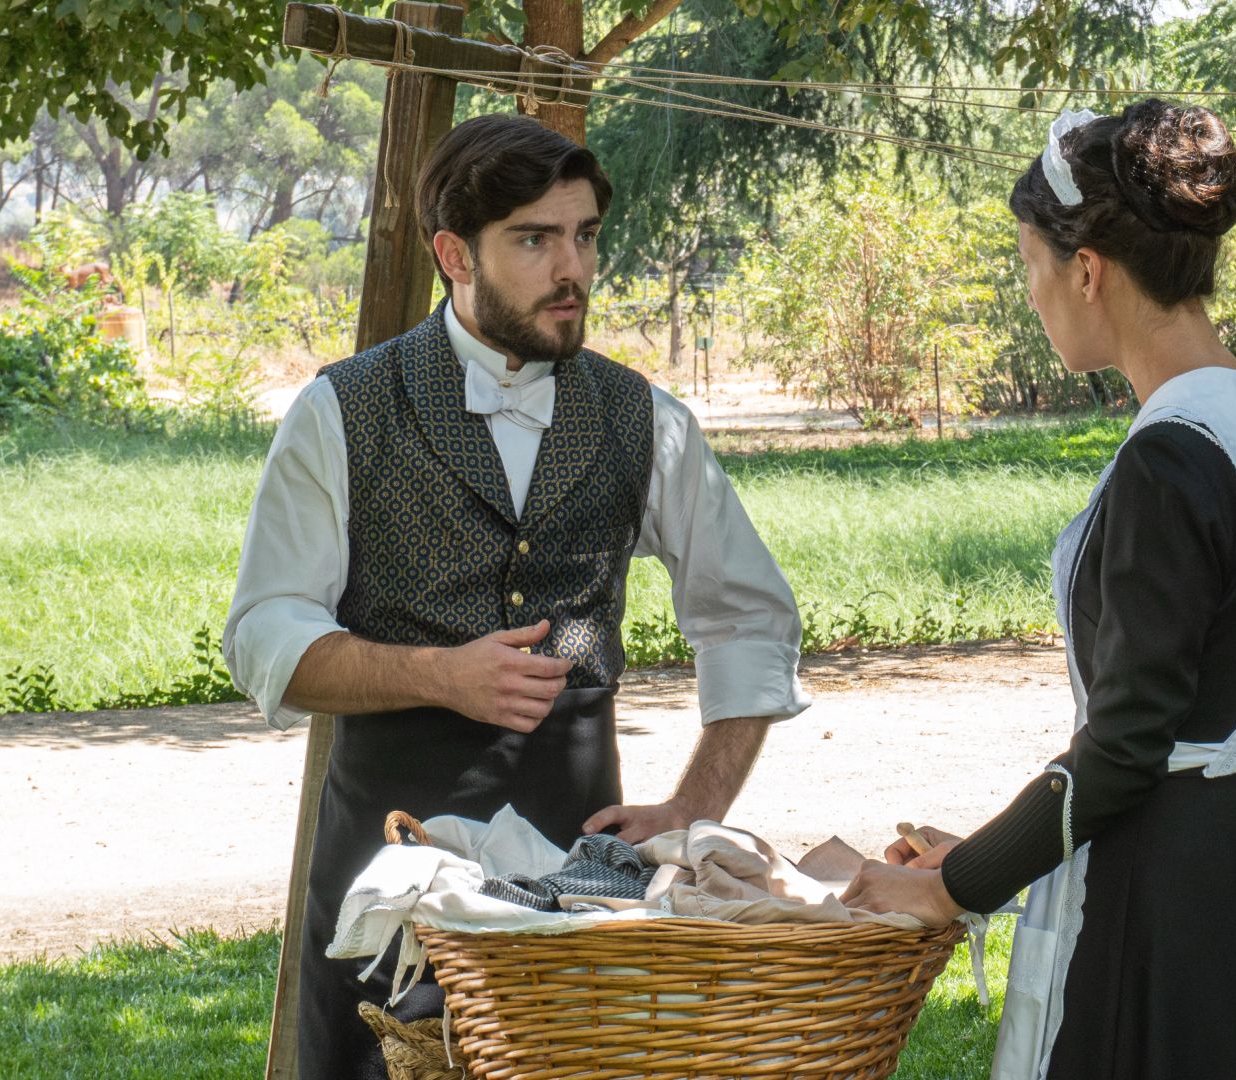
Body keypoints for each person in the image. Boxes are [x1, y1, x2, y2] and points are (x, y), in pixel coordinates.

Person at [222, 114, 811, 1080]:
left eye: (584, 236)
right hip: (385, 858)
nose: (571, 269)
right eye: (534, 240)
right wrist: (437, 675)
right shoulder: (341, 411)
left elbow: (752, 616)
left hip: (580, 868)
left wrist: (693, 807)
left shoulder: (644, 418)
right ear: (455, 255)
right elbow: (265, 634)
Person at [842, 100, 1236, 1080]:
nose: (1032, 294)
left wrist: (954, 886)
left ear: (1087, 271)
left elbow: (1126, 751)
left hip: (1163, 914)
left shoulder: (1169, 462)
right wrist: (992, 847)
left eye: (1031, 266)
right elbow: (1202, 714)